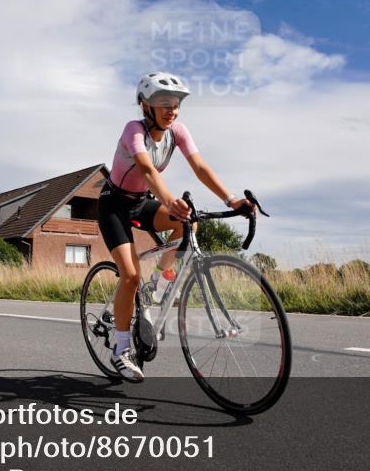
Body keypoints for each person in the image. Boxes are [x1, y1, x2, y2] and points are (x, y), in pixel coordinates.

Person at [97, 71, 255, 382]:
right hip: (113, 203)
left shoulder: (178, 132)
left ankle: (156, 284)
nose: (172, 110)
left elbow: (200, 167)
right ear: (145, 106)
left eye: (176, 104)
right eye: (164, 103)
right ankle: (120, 347)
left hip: (142, 201)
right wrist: (170, 201)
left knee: (188, 225)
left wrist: (232, 199)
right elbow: (146, 169)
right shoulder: (134, 130)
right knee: (129, 276)